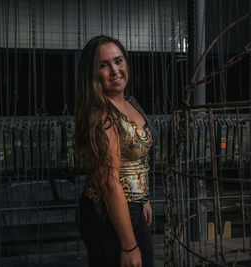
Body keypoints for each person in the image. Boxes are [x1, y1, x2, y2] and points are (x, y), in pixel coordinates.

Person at [75, 35, 155, 267]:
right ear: (93, 73)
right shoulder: (102, 116)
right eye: (103, 65)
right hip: (108, 211)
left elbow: (137, 160)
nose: (115, 70)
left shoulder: (129, 103)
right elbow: (110, 183)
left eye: (118, 61)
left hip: (131, 204)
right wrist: (129, 246)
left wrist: (144, 198)